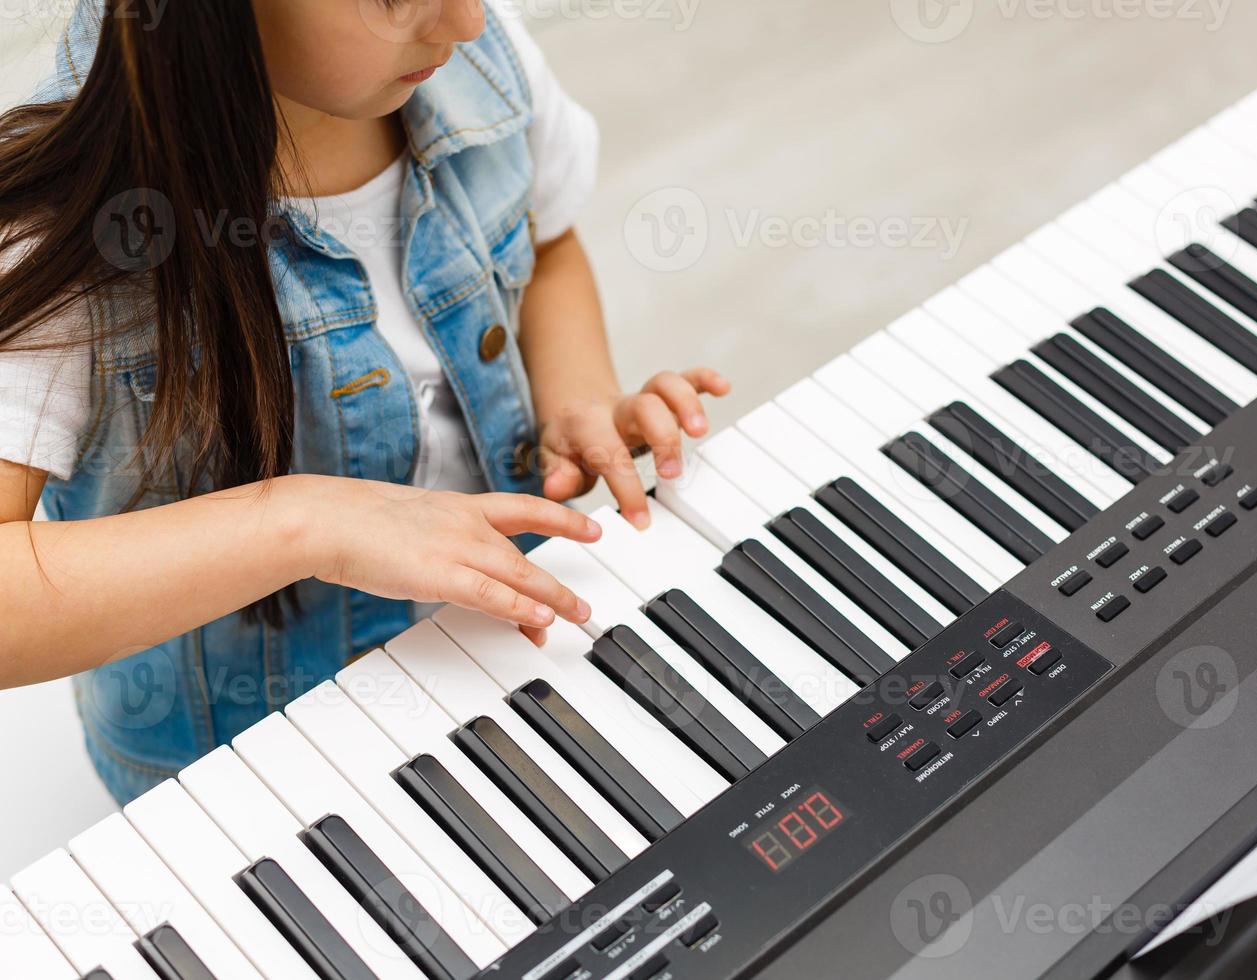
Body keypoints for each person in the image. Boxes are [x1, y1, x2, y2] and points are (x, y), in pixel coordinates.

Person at [0, 0, 728, 804]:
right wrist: (311, 522)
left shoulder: (481, 68)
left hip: (496, 665)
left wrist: (577, 403)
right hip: (256, 780)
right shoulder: (56, 223)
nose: (467, 24)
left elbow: (549, 246)